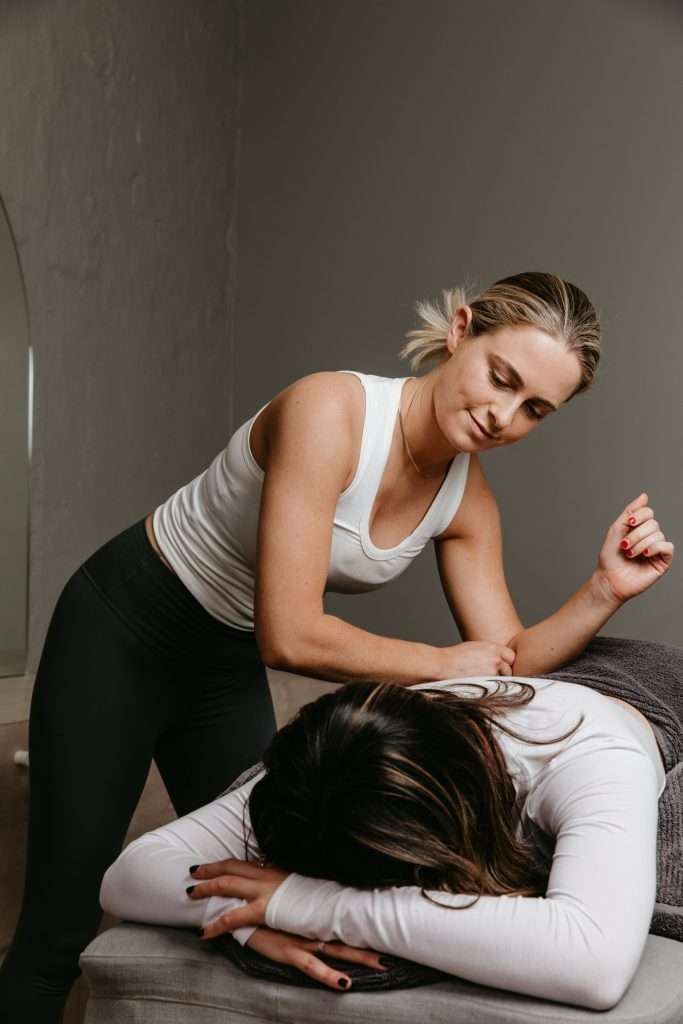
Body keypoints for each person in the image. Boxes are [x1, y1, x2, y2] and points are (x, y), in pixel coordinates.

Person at [0, 271, 674, 1021]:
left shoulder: (466, 497)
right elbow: (287, 633)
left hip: (223, 663)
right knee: (59, 929)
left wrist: (602, 591)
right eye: (501, 377)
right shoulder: (331, 409)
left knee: (287, 867)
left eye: (533, 409)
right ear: (460, 331)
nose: (501, 415)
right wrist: (441, 665)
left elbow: (506, 662)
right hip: (128, 625)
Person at [98, 672, 667, 1010]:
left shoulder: (588, 759)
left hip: (647, 693)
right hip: (500, 692)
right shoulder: (329, 768)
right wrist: (241, 912)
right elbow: (130, 873)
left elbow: (595, 962)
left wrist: (310, 905)